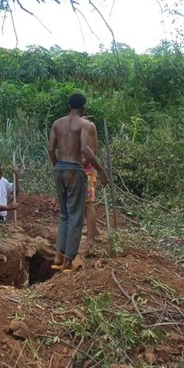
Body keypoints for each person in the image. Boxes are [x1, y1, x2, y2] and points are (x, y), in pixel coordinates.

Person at [48, 94, 108, 270]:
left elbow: (51, 149)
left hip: (59, 168)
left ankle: (58, 255)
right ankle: (68, 260)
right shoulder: (85, 125)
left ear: (68, 106)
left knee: (65, 214)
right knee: (75, 216)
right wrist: (101, 171)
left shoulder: (57, 123)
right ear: (84, 108)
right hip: (75, 169)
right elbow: (85, 150)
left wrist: (57, 166)